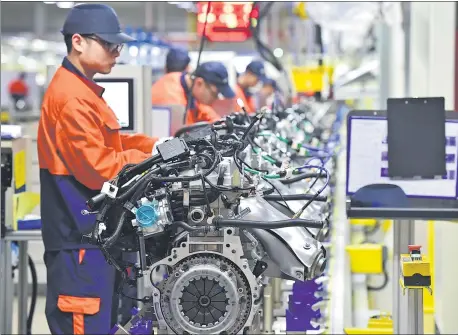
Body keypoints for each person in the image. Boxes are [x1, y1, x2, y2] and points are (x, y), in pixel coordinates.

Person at [36, 4, 158, 334]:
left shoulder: (84, 92)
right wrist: (153, 161)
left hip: (94, 241)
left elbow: (111, 147)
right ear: (78, 42)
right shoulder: (72, 97)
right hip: (79, 242)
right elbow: (100, 168)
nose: (117, 53)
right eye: (109, 44)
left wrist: (155, 146)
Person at [151, 61, 235, 125]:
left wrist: (220, 124)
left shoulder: (184, 81)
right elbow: (184, 136)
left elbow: (202, 109)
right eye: (214, 94)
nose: (216, 99)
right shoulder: (174, 102)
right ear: (199, 83)